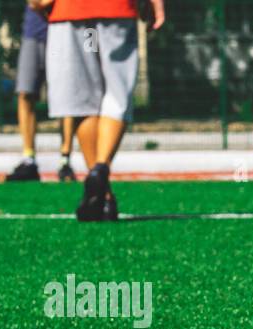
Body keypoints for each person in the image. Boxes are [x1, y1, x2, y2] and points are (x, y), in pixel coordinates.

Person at [42, 0, 166, 222]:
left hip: (72, 10)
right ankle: (100, 171)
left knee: (84, 96)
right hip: (114, 9)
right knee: (117, 93)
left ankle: (103, 191)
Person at [5, 1, 77, 183]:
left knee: (68, 97)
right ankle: (28, 159)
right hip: (34, 32)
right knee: (25, 92)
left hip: (67, 31)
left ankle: (65, 160)